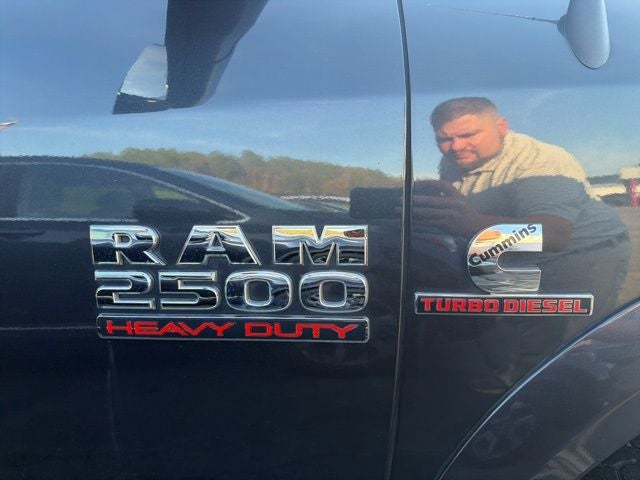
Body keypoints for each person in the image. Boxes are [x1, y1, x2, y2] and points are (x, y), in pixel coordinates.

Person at [415, 97, 630, 313]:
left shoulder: (540, 159)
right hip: (507, 257)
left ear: (501, 127)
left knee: (556, 328)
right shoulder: (454, 160)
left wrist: (471, 223)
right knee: (490, 321)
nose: (456, 146)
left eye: (468, 135)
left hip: (579, 256)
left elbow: (553, 235)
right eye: (444, 139)